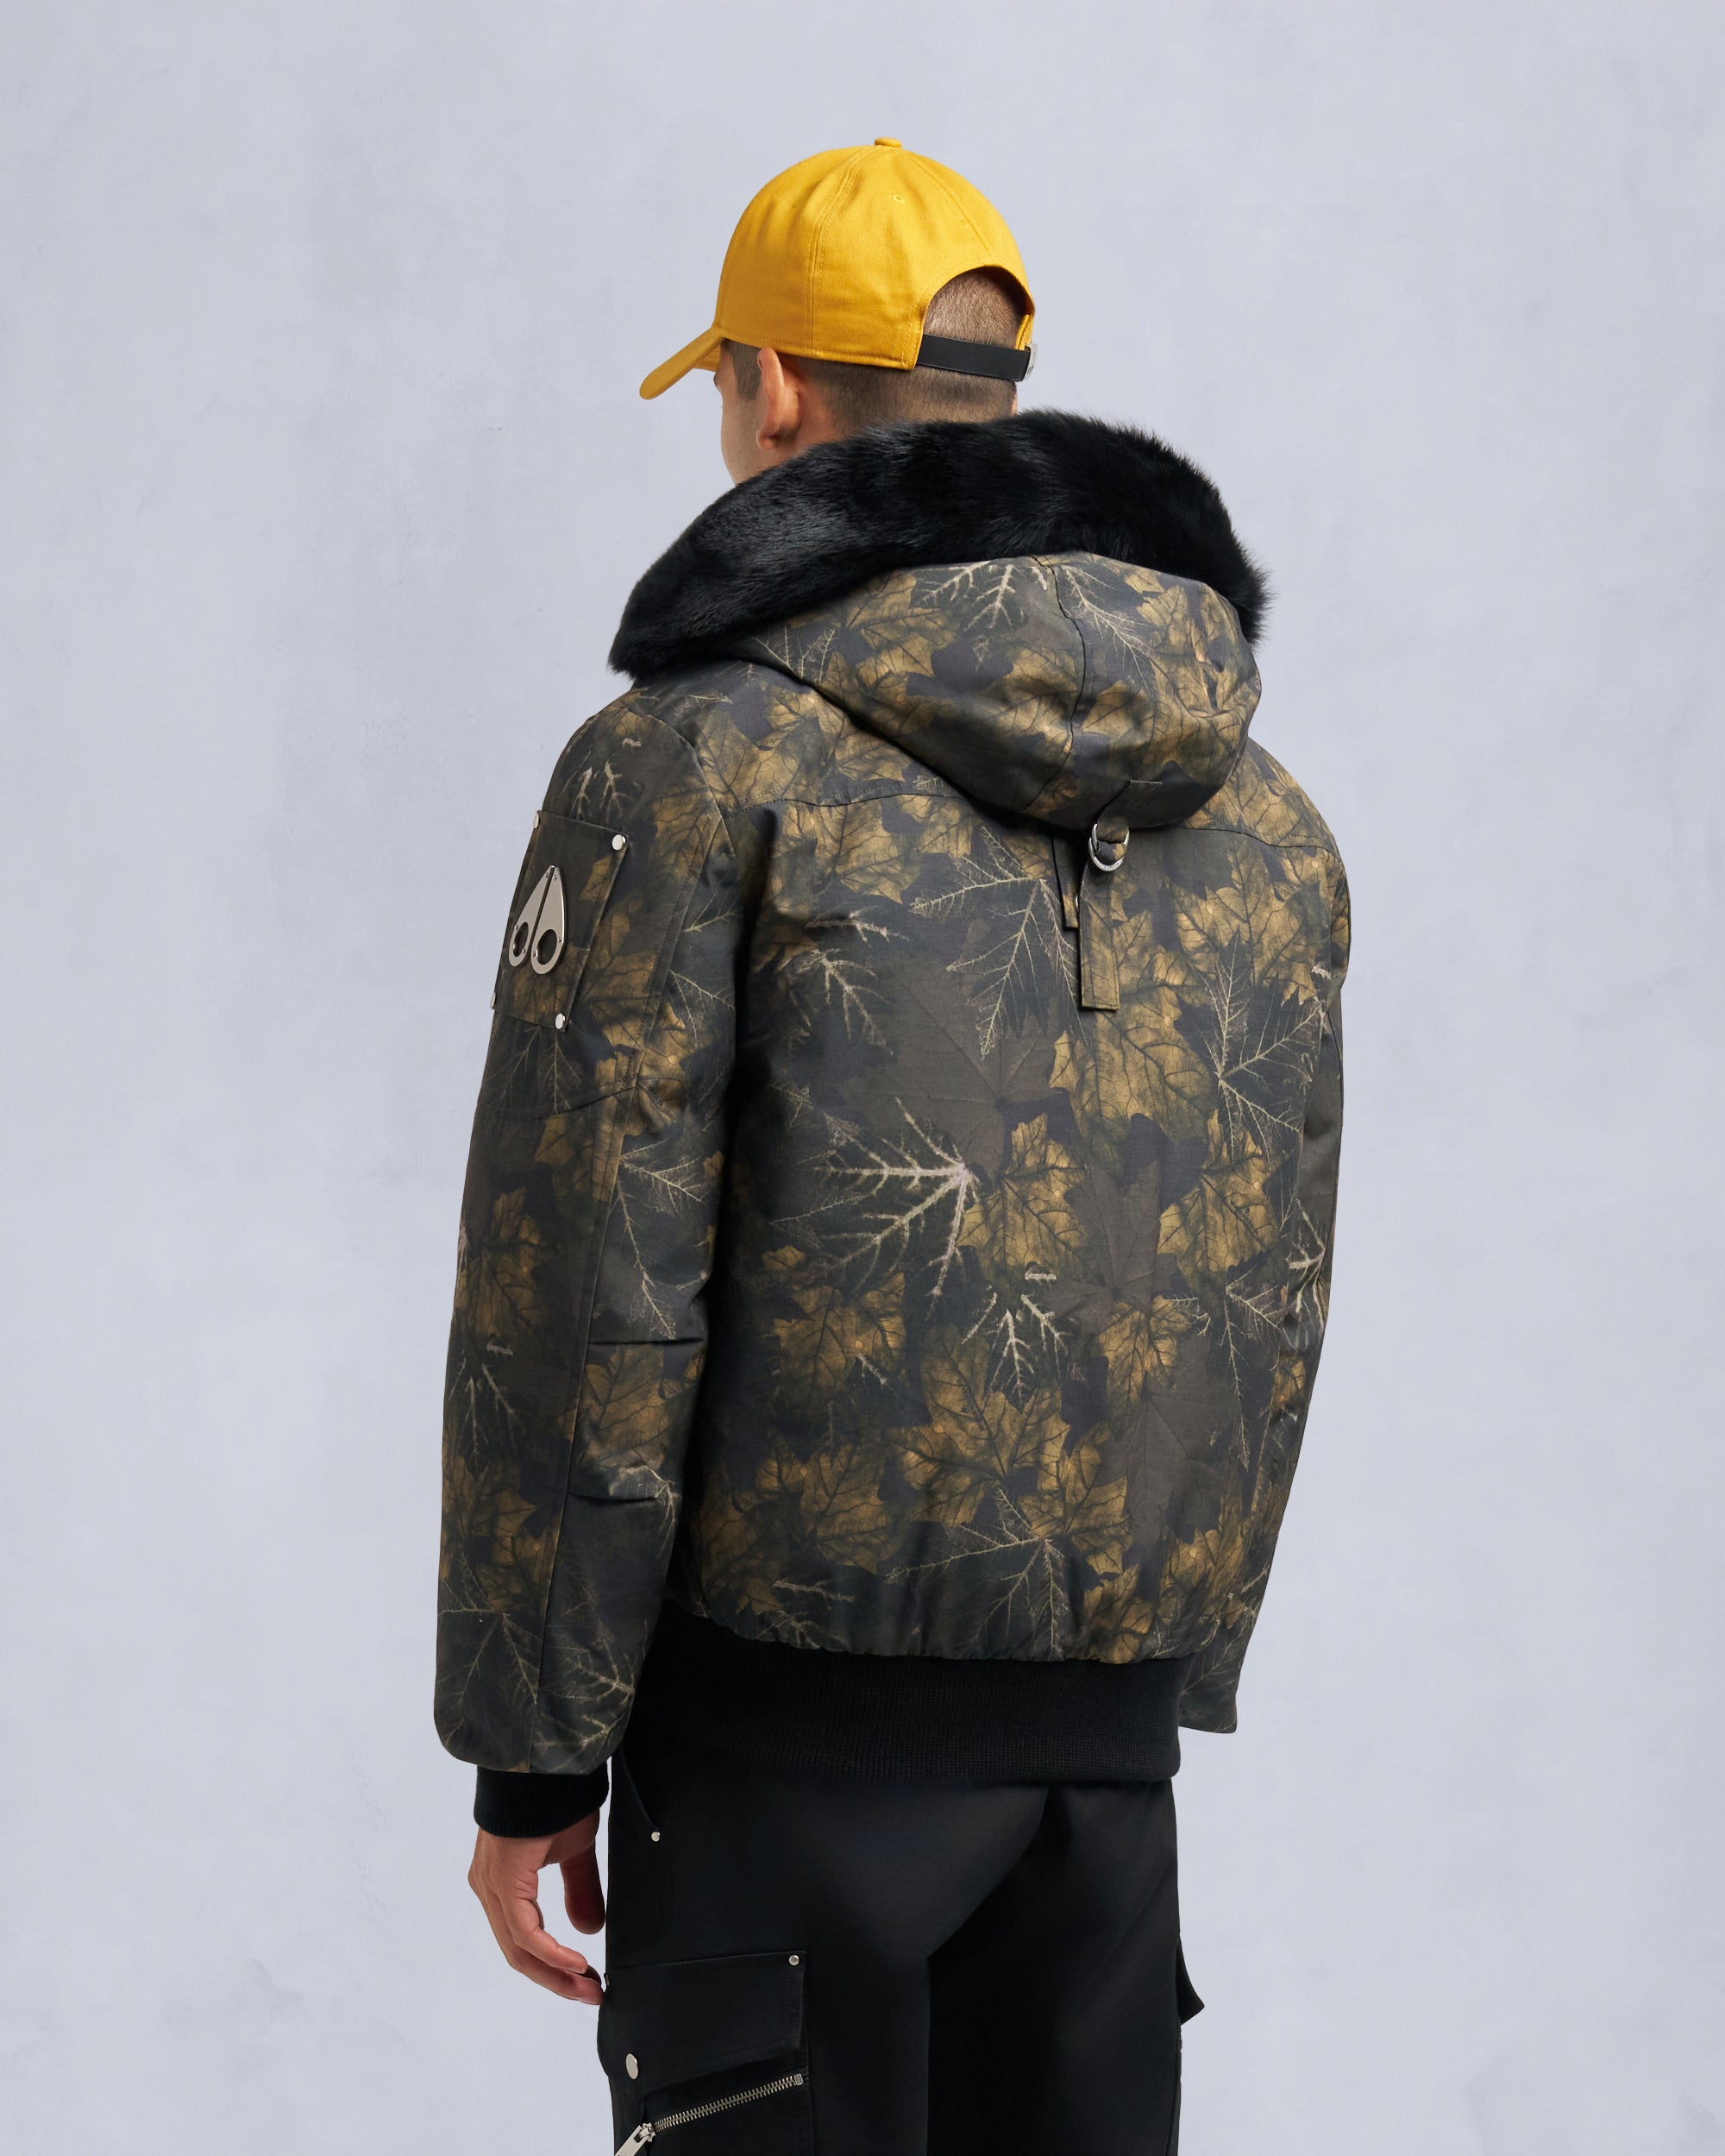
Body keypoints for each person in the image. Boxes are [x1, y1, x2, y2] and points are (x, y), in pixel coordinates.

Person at [439, 139, 1348, 2156]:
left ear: (768, 390)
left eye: (728, 383)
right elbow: (1272, 1274)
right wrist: (1151, 1672)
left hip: (776, 1773)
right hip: (1101, 1795)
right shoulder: (1261, 810)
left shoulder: (688, 766)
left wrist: (532, 1751)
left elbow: (578, 1285)